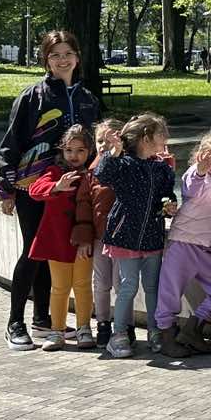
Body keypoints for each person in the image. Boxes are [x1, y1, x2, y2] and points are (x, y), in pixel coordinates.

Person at [0, 30, 100, 350]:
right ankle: (15, 322)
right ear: (46, 60)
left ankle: (43, 320)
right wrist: (6, 188)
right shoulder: (32, 97)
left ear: (78, 57)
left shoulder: (88, 99)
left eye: (68, 53)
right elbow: (11, 143)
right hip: (34, 187)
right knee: (32, 251)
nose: (62, 59)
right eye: (55, 55)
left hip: (75, 192)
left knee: (55, 252)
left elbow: (97, 144)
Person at [97, 112, 178, 359]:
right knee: (128, 285)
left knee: (152, 286)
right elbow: (102, 174)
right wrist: (114, 151)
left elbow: (167, 194)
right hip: (125, 235)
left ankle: (155, 331)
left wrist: (169, 205)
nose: (166, 138)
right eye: (161, 134)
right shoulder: (123, 163)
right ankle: (118, 334)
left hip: (151, 236)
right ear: (146, 137)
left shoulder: (161, 168)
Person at [156, 131, 211, 359]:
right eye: (209, 157)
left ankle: (193, 330)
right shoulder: (195, 173)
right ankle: (166, 338)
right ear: (199, 156)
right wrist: (201, 170)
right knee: (170, 292)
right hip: (183, 242)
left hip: (206, 248)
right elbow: (192, 187)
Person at [24, 124, 98, 351]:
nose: (74, 156)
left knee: (83, 285)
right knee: (60, 287)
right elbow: (35, 190)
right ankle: (57, 330)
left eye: (80, 151)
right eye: (69, 150)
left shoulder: (93, 173)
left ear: (89, 152)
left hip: (84, 241)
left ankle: (84, 328)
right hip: (57, 240)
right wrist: (57, 186)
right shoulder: (55, 171)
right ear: (62, 151)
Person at [84, 119, 123, 350]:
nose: (103, 146)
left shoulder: (127, 166)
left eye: (109, 141)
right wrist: (83, 236)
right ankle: (102, 323)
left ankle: (123, 324)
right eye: (100, 140)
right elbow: (84, 205)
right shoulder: (91, 171)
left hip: (121, 239)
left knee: (121, 283)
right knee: (101, 283)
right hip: (99, 236)